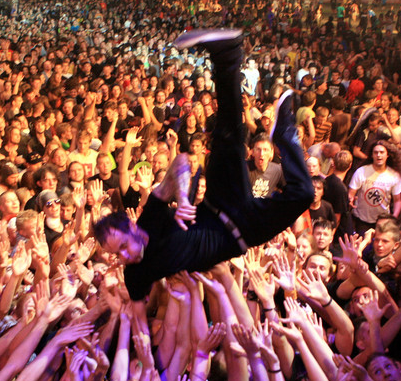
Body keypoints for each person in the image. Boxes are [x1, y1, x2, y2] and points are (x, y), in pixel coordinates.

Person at [93, 29, 314, 302]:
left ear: (133, 226)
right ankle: (285, 134)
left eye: (124, 246)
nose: (125, 256)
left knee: (229, 133)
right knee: (304, 194)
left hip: (218, 201)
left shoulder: (150, 219)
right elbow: (137, 313)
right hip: (245, 229)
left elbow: (183, 162)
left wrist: (184, 196)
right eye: (117, 254)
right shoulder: (136, 274)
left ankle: (227, 53)